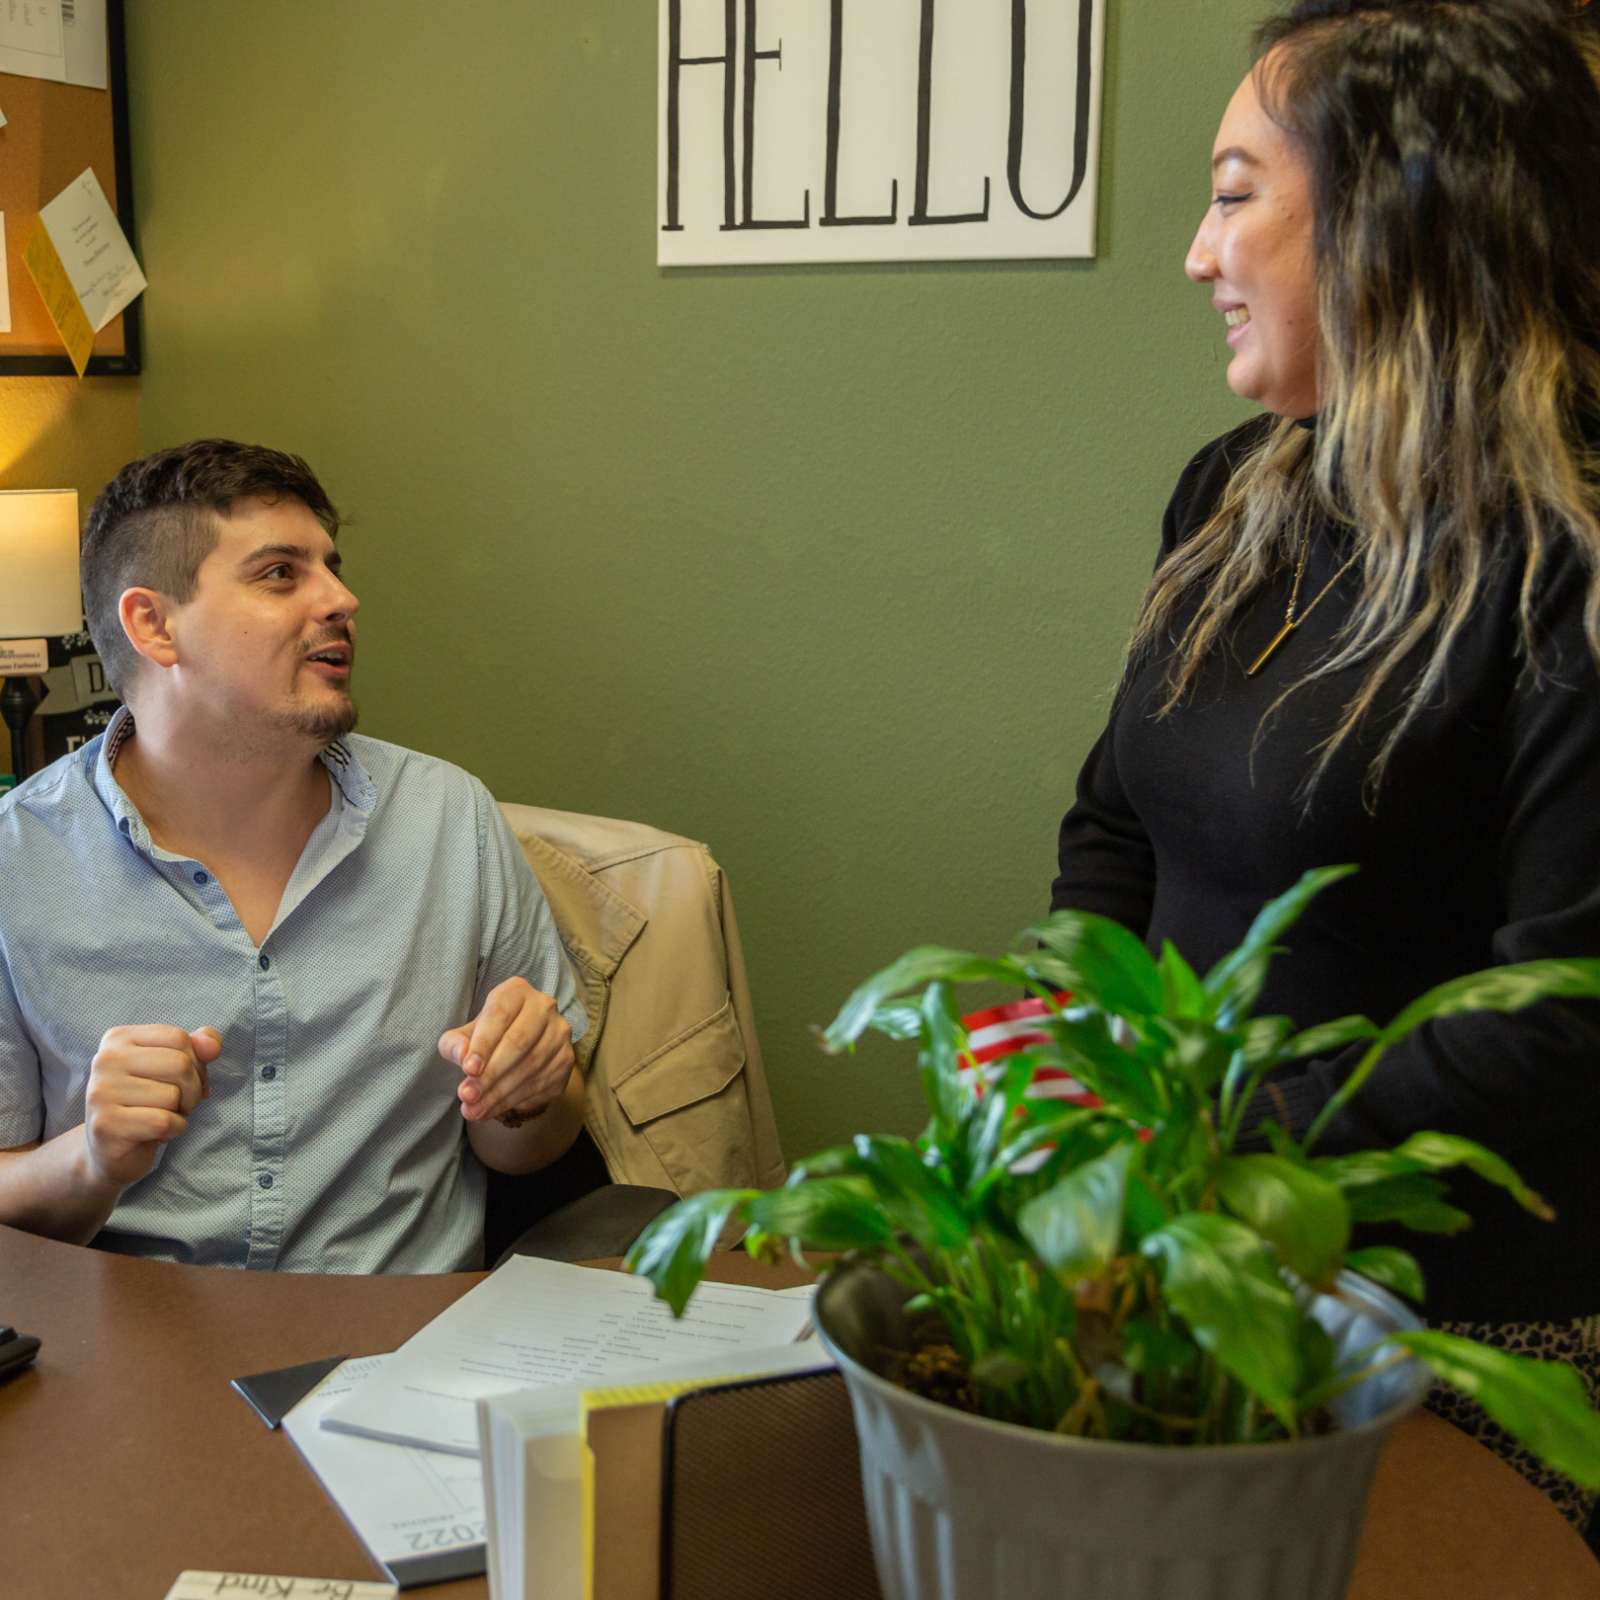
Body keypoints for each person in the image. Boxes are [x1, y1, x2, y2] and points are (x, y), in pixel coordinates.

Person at [1050, 0, 1600, 1521]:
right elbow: (1113, 830)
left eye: (1234, 194)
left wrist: (1208, 1141)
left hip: (1462, 1333)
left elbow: (1561, 1011)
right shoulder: (1228, 496)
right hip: (1190, 1249)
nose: (1197, 252)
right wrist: (1062, 1054)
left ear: (1395, 216)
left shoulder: (1569, 549)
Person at [0, 440, 588, 1273]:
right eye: (281, 573)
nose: (343, 599)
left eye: (331, 567)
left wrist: (529, 1095)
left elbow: (527, 1155)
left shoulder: (449, 818)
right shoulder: (15, 861)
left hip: (401, 1350)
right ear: (153, 625)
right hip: (136, 1351)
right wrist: (93, 1159)